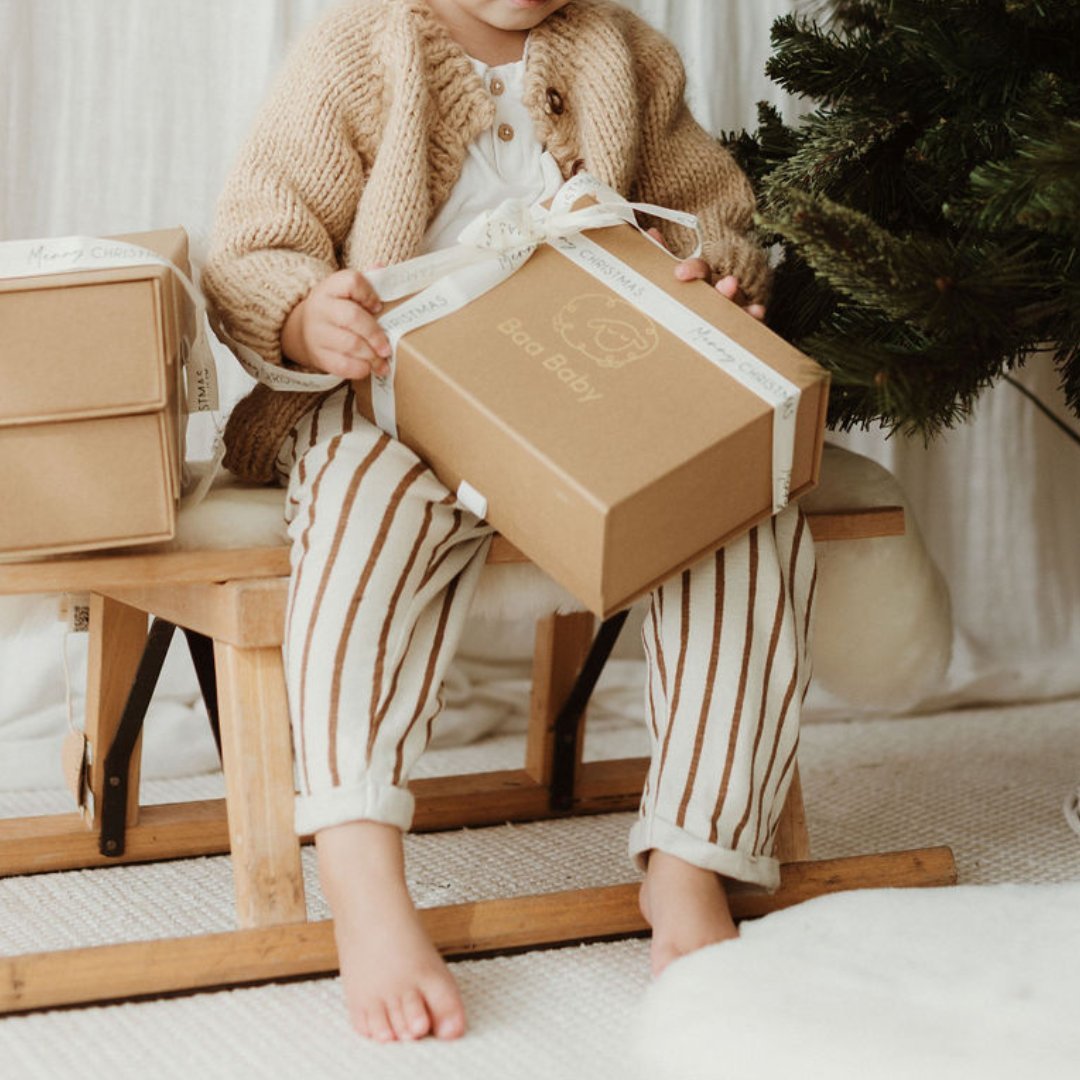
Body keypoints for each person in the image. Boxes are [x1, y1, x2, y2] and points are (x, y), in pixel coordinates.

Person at [203, 0, 815, 1045]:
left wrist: (719, 275)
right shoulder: (360, 50)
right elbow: (254, 244)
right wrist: (309, 314)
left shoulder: (623, 54)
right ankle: (360, 869)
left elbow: (710, 211)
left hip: (586, 402)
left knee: (745, 517)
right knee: (360, 506)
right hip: (400, 403)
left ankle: (691, 860)